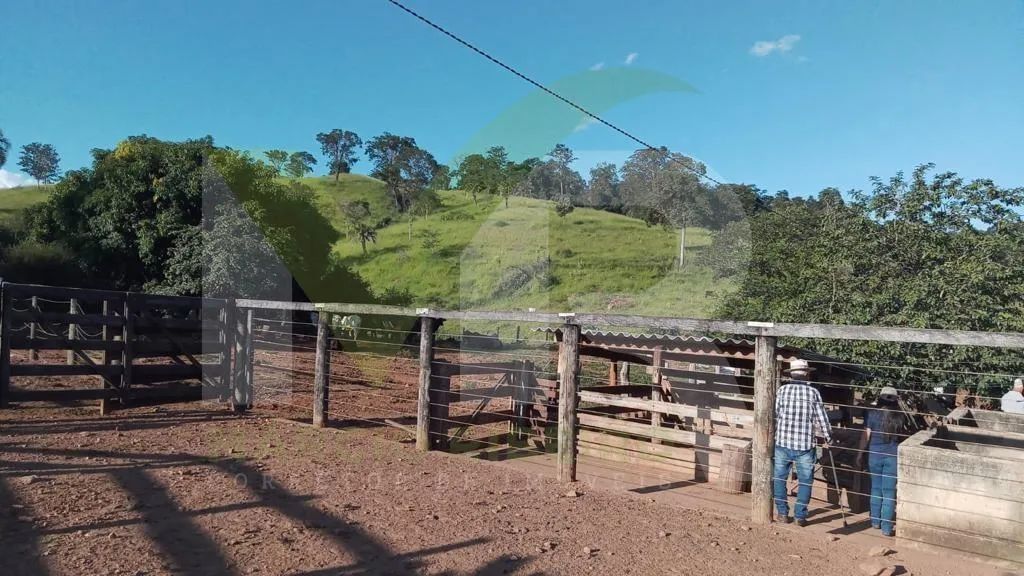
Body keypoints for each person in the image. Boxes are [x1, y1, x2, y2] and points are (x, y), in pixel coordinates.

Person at [773, 359, 832, 527]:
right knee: (806, 480)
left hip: (783, 442)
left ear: (791, 374)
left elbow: (776, 414)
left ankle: (782, 513)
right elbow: (821, 418)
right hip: (805, 444)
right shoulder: (813, 393)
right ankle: (800, 516)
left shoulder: (782, 390)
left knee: (779, 478)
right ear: (806, 373)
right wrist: (829, 437)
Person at [857, 387, 905, 537]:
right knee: (889, 492)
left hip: (874, 455)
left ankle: (875, 522)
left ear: (881, 398)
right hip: (892, 456)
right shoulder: (900, 416)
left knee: (875, 488)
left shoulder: (872, 414)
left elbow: (866, 436)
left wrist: (859, 454)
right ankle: (887, 528)